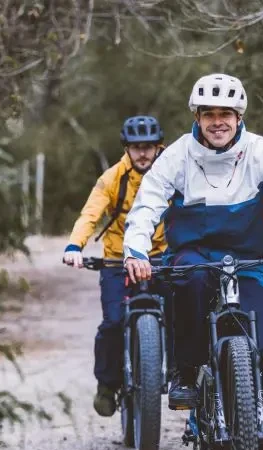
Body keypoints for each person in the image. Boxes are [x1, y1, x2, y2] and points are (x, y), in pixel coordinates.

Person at [122, 74, 263, 450]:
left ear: (239, 117)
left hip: (247, 258)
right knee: (191, 282)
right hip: (195, 254)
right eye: (209, 114)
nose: (218, 122)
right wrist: (135, 251)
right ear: (197, 117)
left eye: (226, 114)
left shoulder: (260, 152)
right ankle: (187, 372)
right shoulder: (178, 156)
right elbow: (148, 203)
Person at [63, 115, 167, 417]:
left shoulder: (171, 174)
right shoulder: (111, 179)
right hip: (116, 261)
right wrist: (75, 246)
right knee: (112, 322)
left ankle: (181, 375)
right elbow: (90, 215)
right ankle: (107, 384)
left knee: (182, 314)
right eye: (137, 148)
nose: (143, 153)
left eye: (149, 147)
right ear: (126, 149)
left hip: (160, 259)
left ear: (159, 147)